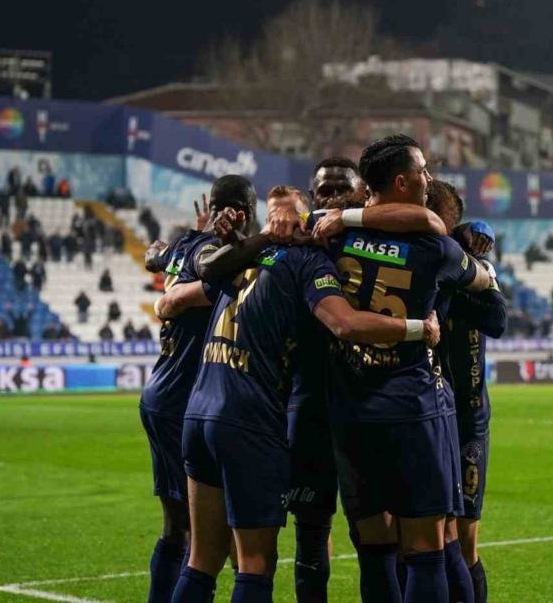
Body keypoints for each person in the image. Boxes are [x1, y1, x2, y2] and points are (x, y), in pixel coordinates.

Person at [169, 205, 444, 603]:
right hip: (248, 417)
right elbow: (344, 323)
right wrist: (420, 329)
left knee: (202, 559)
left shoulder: (247, 255)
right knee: (256, 563)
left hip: (199, 409)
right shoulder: (308, 261)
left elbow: (181, 295)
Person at [300, 136, 492, 603]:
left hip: (352, 413)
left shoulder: (328, 235)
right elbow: (483, 282)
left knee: (374, 552)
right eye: (423, 171)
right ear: (403, 182)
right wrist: (477, 255)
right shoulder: (435, 247)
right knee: (428, 551)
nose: (429, 179)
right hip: (415, 409)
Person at [140, 177, 259, 603]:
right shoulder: (210, 253)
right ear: (243, 212)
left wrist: (161, 263)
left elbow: (155, 254)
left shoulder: (184, 243)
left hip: (161, 392)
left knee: (177, 527)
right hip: (184, 399)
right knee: (213, 538)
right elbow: (212, 271)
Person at [425, 180, 507, 603]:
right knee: (423, 537)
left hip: (468, 417)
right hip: (424, 411)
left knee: (463, 541)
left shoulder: (474, 266)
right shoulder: (415, 261)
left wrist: (454, 280)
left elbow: (497, 321)